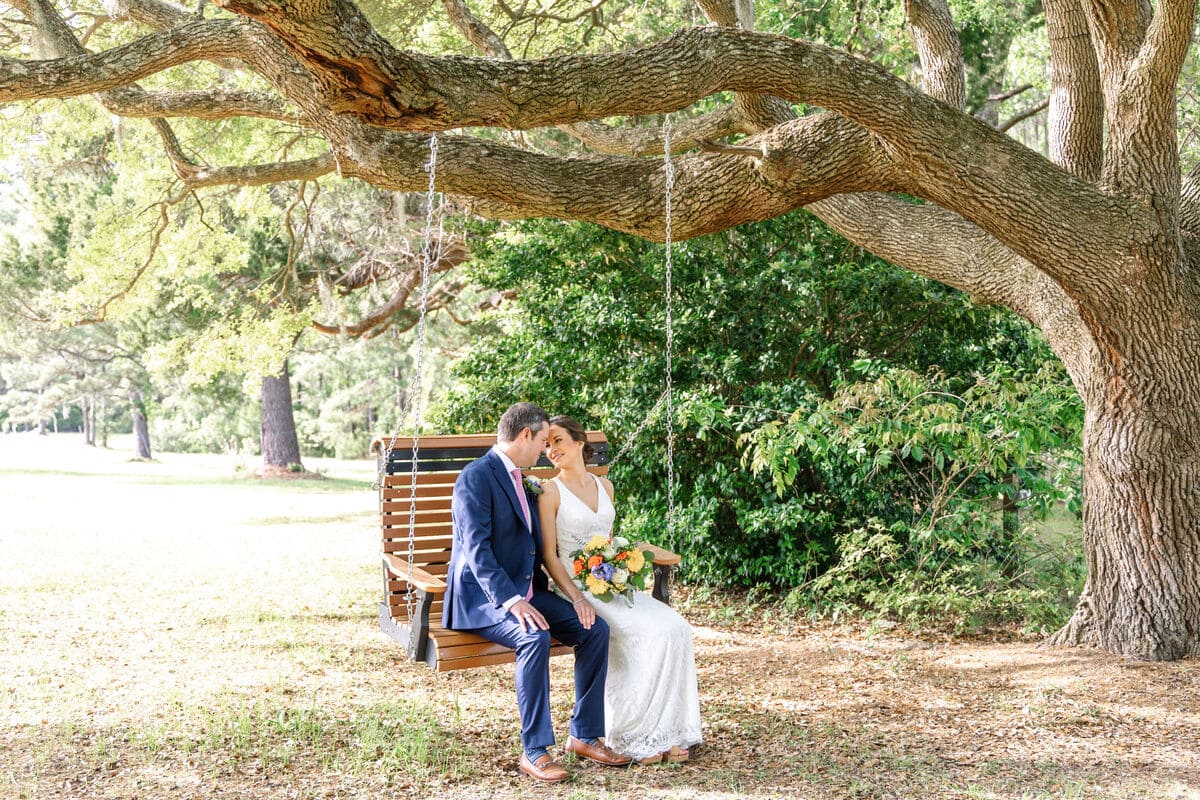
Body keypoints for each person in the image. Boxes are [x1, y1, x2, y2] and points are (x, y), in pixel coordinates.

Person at [442, 402, 632, 783]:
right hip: (485, 598)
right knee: (534, 636)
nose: (546, 449)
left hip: (530, 592)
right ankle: (534, 751)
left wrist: (578, 596)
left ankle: (583, 734)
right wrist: (512, 601)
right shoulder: (476, 477)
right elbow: (476, 549)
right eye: (543, 440)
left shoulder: (525, 480)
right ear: (525, 435)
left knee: (594, 631)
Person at [538, 414, 703, 764]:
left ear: (580, 443)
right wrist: (579, 596)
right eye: (547, 444)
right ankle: (631, 735)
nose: (551, 450)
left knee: (674, 627)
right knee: (645, 634)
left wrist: (622, 566)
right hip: (575, 586)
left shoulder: (606, 486)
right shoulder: (550, 492)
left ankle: (666, 730)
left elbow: (607, 541)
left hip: (610, 584)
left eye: (558, 441)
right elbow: (550, 557)